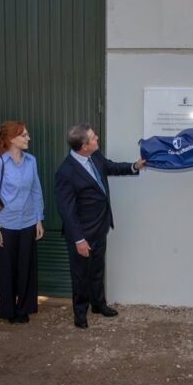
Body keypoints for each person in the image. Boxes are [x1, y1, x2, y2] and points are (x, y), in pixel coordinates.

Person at [54, 123, 145, 329]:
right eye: (94, 138)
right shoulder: (65, 172)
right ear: (84, 146)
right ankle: (80, 313)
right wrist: (79, 239)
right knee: (80, 275)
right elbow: (67, 211)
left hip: (100, 227)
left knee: (97, 269)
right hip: (82, 234)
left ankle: (98, 304)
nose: (97, 140)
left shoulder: (94, 156)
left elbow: (111, 166)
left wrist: (134, 166)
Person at [0, 121, 44, 324]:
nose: (28, 138)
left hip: (28, 222)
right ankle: (9, 310)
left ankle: (24, 308)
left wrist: (39, 219)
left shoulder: (31, 161)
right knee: (7, 269)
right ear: (11, 139)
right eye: (24, 135)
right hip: (6, 225)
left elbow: (36, 190)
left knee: (27, 267)